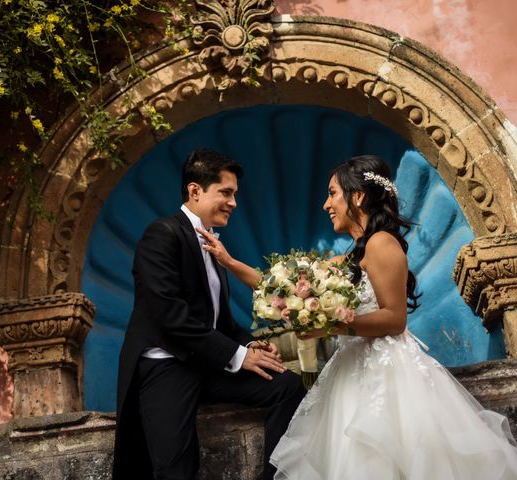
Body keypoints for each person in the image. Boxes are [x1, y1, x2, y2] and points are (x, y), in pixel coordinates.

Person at [200, 155, 517, 479]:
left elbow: (395, 320)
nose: (326, 204)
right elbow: (282, 287)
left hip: (388, 374)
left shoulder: (383, 244)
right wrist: (228, 261)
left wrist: (331, 324)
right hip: (349, 368)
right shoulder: (349, 257)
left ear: (359, 196)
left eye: (333, 193)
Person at [113, 149, 306, 480]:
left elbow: (222, 323)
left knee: (288, 387)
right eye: (226, 193)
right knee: (176, 468)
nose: (233, 202)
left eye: (235, 194)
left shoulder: (213, 246)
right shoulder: (162, 233)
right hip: (167, 365)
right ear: (195, 191)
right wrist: (239, 355)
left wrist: (252, 346)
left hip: (208, 363)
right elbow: (169, 315)